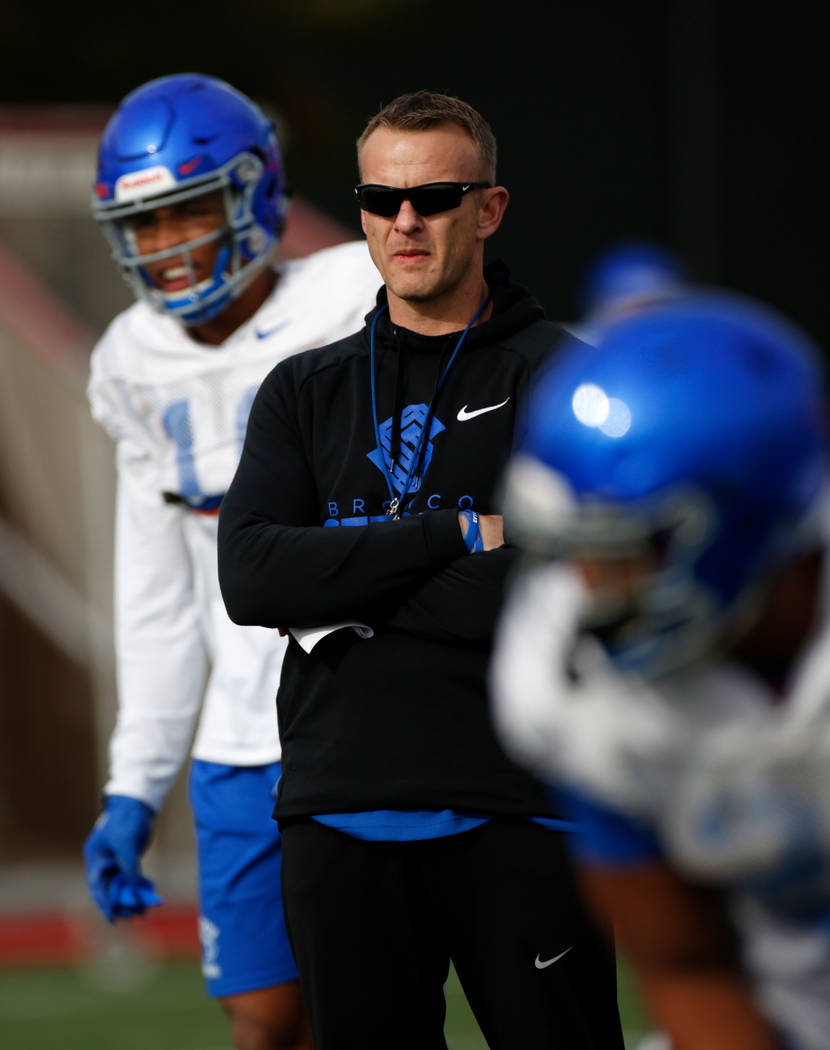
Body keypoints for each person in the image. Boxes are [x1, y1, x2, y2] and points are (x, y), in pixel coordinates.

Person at [217, 89, 625, 1050]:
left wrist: (348, 578)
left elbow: (557, 597)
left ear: (489, 209)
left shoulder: (567, 381)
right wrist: (449, 537)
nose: (406, 221)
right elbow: (253, 579)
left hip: (526, 814)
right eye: (381, 198)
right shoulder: (302, 389)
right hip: (338, 813)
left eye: (437, 197)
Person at [81, 73, 381, 1050]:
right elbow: (159, 601)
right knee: (263, 1017)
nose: (167, 249)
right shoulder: (130, 362)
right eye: (146, 226)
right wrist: (135, 783)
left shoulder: (357, 292)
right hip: (244, 740)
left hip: (382, 710)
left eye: (187, 214)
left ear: (254, 192)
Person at [492, 292, 830, 1050]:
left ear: (744, 525)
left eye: (623, 552)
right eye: (577, 549)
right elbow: (687, 967)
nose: (587, 588)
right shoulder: (574, 688)